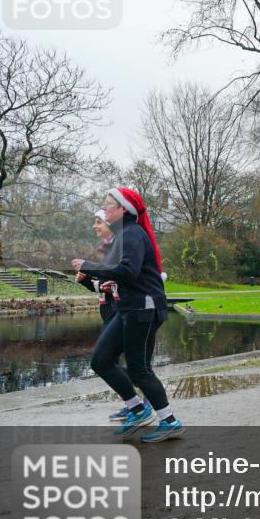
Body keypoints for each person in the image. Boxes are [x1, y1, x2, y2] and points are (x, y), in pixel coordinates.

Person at [72, 187, 184, 442]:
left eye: (109, 203)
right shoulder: (123, 235)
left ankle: (169, 421)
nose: (105, 207)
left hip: (143, 309)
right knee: (100, 361)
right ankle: (137, 409)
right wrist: (93, 276)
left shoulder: (132, 234)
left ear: (123, 209)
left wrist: (89, 267)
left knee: (139, 369)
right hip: (127, 309)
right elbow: (119, 272)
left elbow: (128, 272)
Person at [76, 209, 150, 420]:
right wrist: (87, 282)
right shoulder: (107, 248)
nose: (95, 226)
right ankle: (135, 403)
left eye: (99, 221)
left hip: (127, 311)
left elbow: (127, 276)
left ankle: (145, 403)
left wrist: (104, 281)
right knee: (109, 361)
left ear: (110, 225)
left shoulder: (126, 242)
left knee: (125, 363)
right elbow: (104, 286)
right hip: (110, 313)